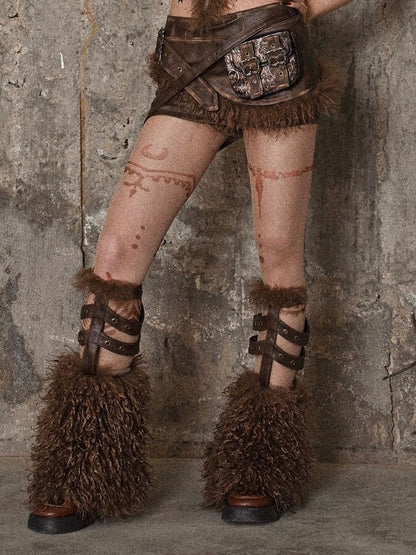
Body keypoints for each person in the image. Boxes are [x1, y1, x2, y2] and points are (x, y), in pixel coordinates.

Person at [27, 0, 355, 534]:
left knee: (279, 260)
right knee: (115, 258)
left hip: (267, 51)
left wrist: (307, 4)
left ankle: (261, 464)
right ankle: (84, 469)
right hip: (189, 51)